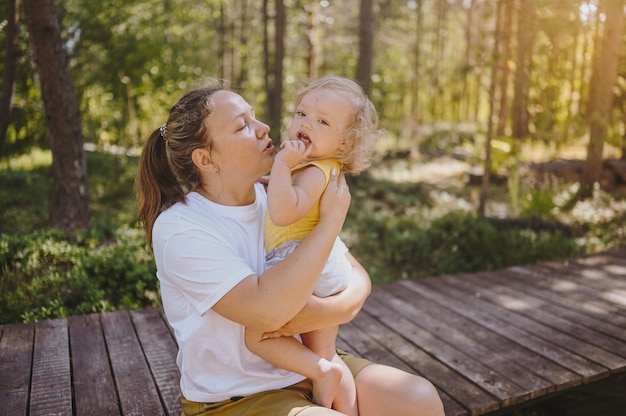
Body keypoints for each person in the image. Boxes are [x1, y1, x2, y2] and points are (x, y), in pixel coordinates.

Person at [136, 80, 445, 416]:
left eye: (255, 117)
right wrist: (331, 221)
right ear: (206, 159)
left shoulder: (280, 195)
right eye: (242, 125)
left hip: (306, 367)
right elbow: (267, 313)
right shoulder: (182, 226)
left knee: (419, 398)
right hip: (237, 398)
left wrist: (333, 315)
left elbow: (357, 278)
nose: (263, 127)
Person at [244, 76, 380, 416]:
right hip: (315, 263)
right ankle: (331, 385)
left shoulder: (317, 171)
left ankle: (327, 380)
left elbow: (283, 209)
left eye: (323, 121)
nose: (306, 124)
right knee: (326, 352)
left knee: (258, 337)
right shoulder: (312, 168)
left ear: (345, 145)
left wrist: (281, 165)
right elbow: (289, 197)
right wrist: (278, 177)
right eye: (302, 113)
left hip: (304, 265)